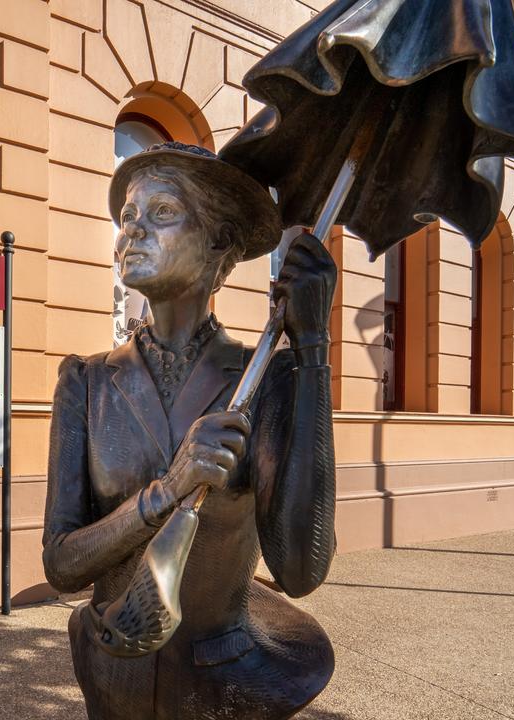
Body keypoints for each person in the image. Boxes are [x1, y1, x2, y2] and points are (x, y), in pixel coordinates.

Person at [42, 142, 338, 719]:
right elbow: (61, 565)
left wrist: (313, 351)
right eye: (128, 217)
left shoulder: (264, 378)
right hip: (113, 673)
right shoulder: (87, 381)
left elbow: (301, 570)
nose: (132, 233)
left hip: (221, 684)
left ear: (219, 243)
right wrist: (167, 490)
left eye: (161, 214)